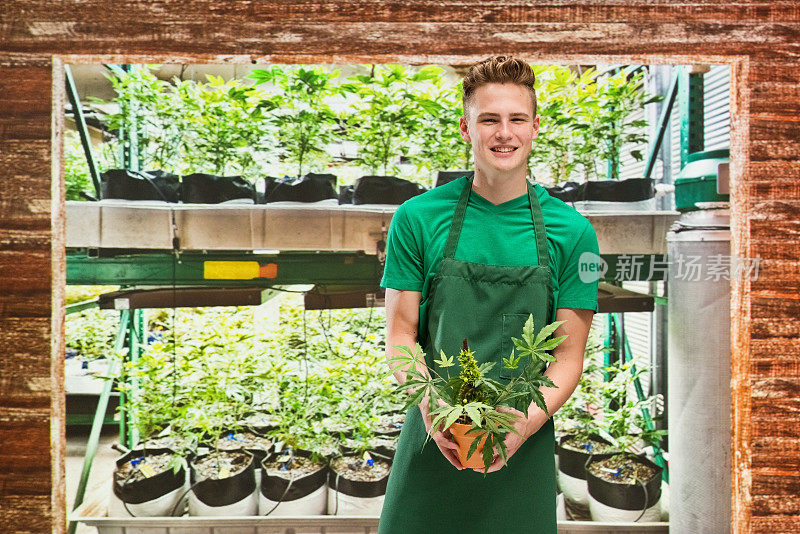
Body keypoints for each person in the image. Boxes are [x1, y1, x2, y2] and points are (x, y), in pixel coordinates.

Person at [376, 56, 599, 533]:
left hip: (526, 436)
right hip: (433, 435)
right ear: (466, 128)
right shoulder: (417, 218)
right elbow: (400, 335)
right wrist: (437, 413)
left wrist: (521, 425)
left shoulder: (573, 231)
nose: (505, 132)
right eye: (489, 119)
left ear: (535, 127)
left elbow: (567, 357)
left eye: (517, 119)